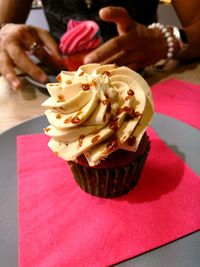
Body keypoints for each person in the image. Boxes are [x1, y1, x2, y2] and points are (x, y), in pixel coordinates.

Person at [0, 0, 200, 90]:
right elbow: (2, 26)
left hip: (144, 87)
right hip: (54, 92)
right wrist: (5, 32)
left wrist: (164, 40)